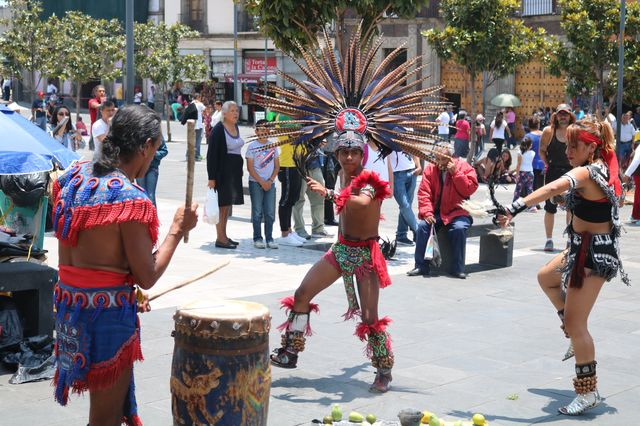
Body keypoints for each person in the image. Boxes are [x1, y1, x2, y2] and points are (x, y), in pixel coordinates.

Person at [51, 105, 198, 425]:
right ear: (145, 146)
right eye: (156, 149)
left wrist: (121, 285)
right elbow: (147, 275)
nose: (155, 157)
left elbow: (88, 258)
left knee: (107, 413)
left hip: (70, 308)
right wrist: (177, 229)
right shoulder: (129, 198)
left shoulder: (73, 177)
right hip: (104, 316)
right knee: (104, 419)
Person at [497, 118, 629, 416]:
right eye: (566, 144)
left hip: (593, 257)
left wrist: (514, 207)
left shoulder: (587, 171)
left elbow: (555, 186)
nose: (568, 150)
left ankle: (588, 391)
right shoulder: (596, 168)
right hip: (581, 249)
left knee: (577, 325)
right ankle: (573, 333)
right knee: (546, 277)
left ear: (590, 147)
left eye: (574, 145)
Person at [270, 131, 395, 392]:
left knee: (370, 316)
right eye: (343, 152)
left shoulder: (370, 180)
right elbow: (346, 216)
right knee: (302, 293)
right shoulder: (342, 175)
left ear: (363, 155)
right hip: (341, 251)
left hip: (365, 256)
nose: (348, 157)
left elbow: (362, 202)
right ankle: (290, 351)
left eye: (354, 152)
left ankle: (383, 370)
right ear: (336, 154)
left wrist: (328, 193)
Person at [408, 144, 478, 279]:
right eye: (437, 158)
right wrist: (427, 212)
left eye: (443, 159)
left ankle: (457, 268)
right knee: (422, 227)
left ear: (451, 158)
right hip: (436, 213)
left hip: (458, 212)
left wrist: (456, 173)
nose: (439, 163)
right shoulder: (430, 169)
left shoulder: (464, 167)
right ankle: (421, 266)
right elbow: (424, 193)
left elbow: (468, 189)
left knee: (458, 229)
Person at [207, 100, 244, 249]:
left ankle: (224, 235)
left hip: (234, 172)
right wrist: (211, 177)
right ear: (224, 113)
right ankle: (220, 238)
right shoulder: (218, 129)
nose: (236, 113)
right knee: (221, 205)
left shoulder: (235, 126)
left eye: (237, 110)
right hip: (222, 172)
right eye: (233, 111)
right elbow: (212, 155)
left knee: (227, 205)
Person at [539, 103, 575, 251]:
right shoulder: (548, 131)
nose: (563, 117)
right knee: (550, 207)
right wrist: (548, 164)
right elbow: (542, 150)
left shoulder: (575, 132)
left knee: (571, 208)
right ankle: (549, 239)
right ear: (556, 115)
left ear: (570, 116)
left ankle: (570, 239)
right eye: (560, 114)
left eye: (565, 114)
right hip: (553, 172)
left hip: (571, 172)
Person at [246, 119, 280, 248]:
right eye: (261, 129)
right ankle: (257, 238)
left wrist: (270, 181)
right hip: (256, 183)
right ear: (256, 131)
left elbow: (277, 166)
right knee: (257, 212)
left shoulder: (273, 146)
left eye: (266, 130)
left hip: (270, 183)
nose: (263, 132)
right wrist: (261, 182)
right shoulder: (252, 147)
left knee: (270, 212)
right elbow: (250, 168)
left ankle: (270, 238)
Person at [275, 113, 305, 247]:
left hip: (296, 164)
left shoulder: (298, 117)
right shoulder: (283, 117)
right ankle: (284, 234)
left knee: (293, 199)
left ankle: (289, 231)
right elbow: (294, 133)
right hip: (287, 164)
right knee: (286, 200)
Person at [293, 148, 330, 239]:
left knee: (319, 197)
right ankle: (299, 229)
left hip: (315, 164)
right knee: (298, 200)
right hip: (299, 166)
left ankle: (318, 229)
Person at [391, 151, 421, 246]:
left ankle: (401, 235)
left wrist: (419, 166)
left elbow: (413, 149)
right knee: (405, 205)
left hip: (412, 171)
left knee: (407, 207)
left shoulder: (405, 135)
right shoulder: (385, 137)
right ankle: (419, 231)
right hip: (396, 174)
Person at [136, 136, 168, 206]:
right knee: (141, 194)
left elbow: (164, 150)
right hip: (139, 167)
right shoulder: (138, 133)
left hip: (152, 168)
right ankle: (143, 216)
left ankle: (153, 216)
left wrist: (154, 153)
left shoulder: (157, 134)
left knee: (151, 196)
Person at [525, 116, 545, 197]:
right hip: (542, 163)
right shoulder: (544, 134)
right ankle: (537, 201)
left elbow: (523, 151)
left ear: (529, 125)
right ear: (538, 125)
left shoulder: (528, 136)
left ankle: (532, 202)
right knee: (539, 185)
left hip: (530, 164)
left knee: (531, 185)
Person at [513, 137, 535, 208]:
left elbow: (518, 165)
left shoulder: (520, 153)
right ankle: (532, 206)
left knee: (518, 190)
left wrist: (516, 175)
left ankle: (514, 204)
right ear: (529, 145)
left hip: (522, 173)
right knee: (530, 190)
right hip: (530, 173)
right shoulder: (533, 153)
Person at [88, 85, 107, 151]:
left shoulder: (106, 102)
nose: (102, 93)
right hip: (96, 129)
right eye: (100, 91)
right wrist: (104, 103)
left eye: (103, 91)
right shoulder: (92, 101)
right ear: (95, 93)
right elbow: (96, 105)